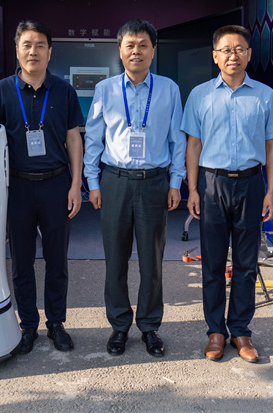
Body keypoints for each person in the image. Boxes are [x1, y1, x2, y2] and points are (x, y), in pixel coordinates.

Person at [181, 25, 273, 363]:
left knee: (245, 262)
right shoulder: (200, 95)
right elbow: (193, 145)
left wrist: (271, 191)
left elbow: (272, 146)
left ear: (249, 54)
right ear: (215, 56)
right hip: (212, 184)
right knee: (213, 262)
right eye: (226, 50)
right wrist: (192, 189)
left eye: (239, 49)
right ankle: (215, 331)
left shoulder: (265, 96)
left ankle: (240, 330)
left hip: (251, 184)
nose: (233, 55)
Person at [84, 19, 186, 358]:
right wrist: (93, 182)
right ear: (120, 50)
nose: (136, 51)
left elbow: (177, 140)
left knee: (151, 260)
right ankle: (119, 326)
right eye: (130, 45)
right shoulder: (105, 90)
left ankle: (149, 327)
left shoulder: (169, 89)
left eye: (143, 45)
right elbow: (94, 138)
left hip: (154, 182)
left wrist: (175, 182)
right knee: (115, 259)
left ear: (153, 51)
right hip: (114, 181)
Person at [0, 20, 84, 354]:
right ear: (17, 50)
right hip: (16, 187)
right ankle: (27, 324)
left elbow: (74, 139)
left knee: (57, 261)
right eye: (27, 45)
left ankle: (56, 323)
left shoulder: (64, 91)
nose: (33, 51)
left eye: (40, 45)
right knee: (21, 262)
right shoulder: (1, 91)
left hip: (57, 185)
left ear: (50, 52)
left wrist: (76, 184)